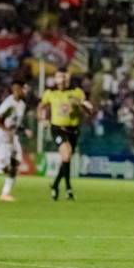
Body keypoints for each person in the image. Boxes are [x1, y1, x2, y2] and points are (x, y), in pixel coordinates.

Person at [38, 68, 91, 201]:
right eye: (58, 77)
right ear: (55, 79)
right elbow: (41, 106)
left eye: (63, 76)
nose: (61, 79)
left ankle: (55, 185)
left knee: (66, 159)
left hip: (73, 129)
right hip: (57, 129)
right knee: (66, 153)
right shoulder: (50, 93)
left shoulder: (76, 92)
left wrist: (81, 106)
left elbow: (88, 109)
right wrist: (43, 119)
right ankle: (68, 189)